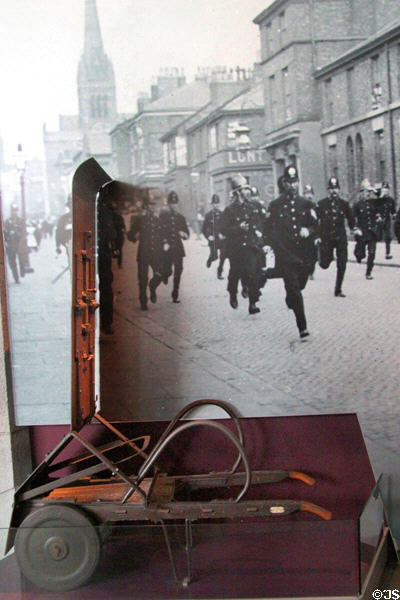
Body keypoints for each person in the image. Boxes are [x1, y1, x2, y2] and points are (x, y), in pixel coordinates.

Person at [264, 165, 318, 338]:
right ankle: (302, 327)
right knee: (295, 289)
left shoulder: (307, 204)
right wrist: (270, 245)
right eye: (289, 182)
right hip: (286, 255)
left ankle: (290, 298)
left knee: (300, 285)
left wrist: (308, 231)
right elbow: (267, 229)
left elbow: (317, 225)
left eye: (295, 182)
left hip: (303, 255)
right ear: (284, 183)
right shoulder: (275, 206)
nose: (292, 186)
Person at [220, 174, 265, 315]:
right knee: (235, 274)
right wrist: (239, 228)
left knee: (252, 274)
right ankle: (233, 294)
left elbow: (258, 225)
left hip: (251, 247)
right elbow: (223, 229)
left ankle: (252, 303)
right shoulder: (230, 210)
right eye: (244, 189)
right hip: (236, 248)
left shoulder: (252, 207)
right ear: (238, 192)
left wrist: (259, 236)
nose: (248, 192)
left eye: (248, 189)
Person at [316, 176, 355, 297]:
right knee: (324, 264)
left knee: (342, 264)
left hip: (340, 238)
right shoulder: (321, 204)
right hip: (326, 238)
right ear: (328, 190)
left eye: (336, 188)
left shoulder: (344, 204)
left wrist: (354, 228)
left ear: (339, 190)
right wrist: (317, 236)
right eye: (331, 189)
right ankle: (323, 257)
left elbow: (350, 218)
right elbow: (314, 220)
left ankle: (338, 289)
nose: (334, 191)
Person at [127, 195, 163, 311]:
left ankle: (152, 287)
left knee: (160, 274)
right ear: (147, 207)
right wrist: (134, 236)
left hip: (156, 253)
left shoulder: (159, 221)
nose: (153, 208)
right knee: (142, 278)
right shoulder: (139, 220)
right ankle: (143, 301)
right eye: (150, 205)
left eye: (154, 205)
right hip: (143, 253)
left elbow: (162, 236)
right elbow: (130, 235)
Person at [160, 191, 190, 303]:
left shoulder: (181, 218)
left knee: (179, 270)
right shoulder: (163, 216)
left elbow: (186, 232)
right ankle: (165, 275)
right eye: (172, 204)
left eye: (176, 203)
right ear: (168, 204)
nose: (174, 206)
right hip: (167, 247)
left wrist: (184, 234)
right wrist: (164, 242)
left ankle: (175, 293)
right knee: (168, 270)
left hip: (178, 248)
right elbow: (160, 231)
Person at [97, 183, 117, 334]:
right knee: (105, 289)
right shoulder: (105, 212)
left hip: (96, 254)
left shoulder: (83, 212)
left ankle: (103, 323)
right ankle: (106, 323)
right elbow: (111, 234)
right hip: (102, 254)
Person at [353, 179, 379, 280]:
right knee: (360, 253)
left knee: (372, 252)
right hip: (362, 232)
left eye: (369, 192)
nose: (368, 194)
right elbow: (352, 218)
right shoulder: (357, 205)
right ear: (362, 192)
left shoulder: (374, 203)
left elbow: (381, 198)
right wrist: (355, 229)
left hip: (372, 232)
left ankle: (368, 272)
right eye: (366, 191)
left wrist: (374, 190)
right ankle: (358, 255)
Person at [202, 193, 226, 279]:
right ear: (212, 204)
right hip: (213, 240)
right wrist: (208, 236)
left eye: (217, 203)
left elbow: (225, 226)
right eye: (214, 203)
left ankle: (220, 271)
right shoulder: (208, 215)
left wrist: (224, 234)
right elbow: (204, 229)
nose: (216, 205)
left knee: (223, 255)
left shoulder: (223, 214)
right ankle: (210, 259)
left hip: (221, 239)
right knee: (214, 256)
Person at [3, 203, 25, 283]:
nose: (14, 212)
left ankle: (22, 271)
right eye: (13, 211)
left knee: (22, 259)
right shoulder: (7, 221)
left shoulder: (21, 220)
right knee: (12, 261)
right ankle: (16, 277)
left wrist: (17, 233)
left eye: (15, 211)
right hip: (11, 244)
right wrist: (8, 237)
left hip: (19, 243)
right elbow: (4, 232)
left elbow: (23, 231)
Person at [375, 181, 396, 259]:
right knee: (377, 237)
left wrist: (394, 215)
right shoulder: (378, 200)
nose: (385, 192)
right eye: (384, 190)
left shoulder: (391, 200)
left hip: (387, 220)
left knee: (388, 237)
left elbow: (393, 210)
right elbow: (375, 207)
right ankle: (372, 250)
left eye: (387, 190)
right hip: (378, 220)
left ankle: (387, 253)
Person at [303, 185, 318, 280]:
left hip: (313, 234)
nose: (309, 196)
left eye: (310, 194)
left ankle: (311, 272)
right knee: (304, 254)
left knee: (313, 254)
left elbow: (318, 222)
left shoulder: (315, 207)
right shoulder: (300, 206)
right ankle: (306, 271)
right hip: (303, 234)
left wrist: (317, 235)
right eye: (307, 193)